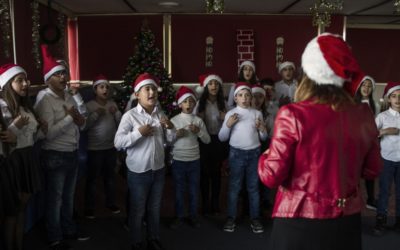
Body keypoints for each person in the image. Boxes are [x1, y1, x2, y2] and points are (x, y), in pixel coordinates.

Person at [258, 33, 382, 250]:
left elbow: (271, 176)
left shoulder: (292, 114)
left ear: (309, 73)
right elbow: (373, 170)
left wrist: (265, 155)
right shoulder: (363, 113)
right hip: (346, 219)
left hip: (299, 220)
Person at [34, 45, 89, 250]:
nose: (63, 77)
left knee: (68, 197)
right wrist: (69, 119)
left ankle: (69, 230)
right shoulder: (44, 98)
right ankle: (54, 236)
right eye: (57, 74)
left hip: (71, 152)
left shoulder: (67, 96)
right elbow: (46, 134)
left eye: (64, 73)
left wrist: (79, 120)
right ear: (49, 78)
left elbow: (81, 124)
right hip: (55, 155)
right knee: (55, 199)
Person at [114, 73, 175, 250]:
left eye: (154, 89)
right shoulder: (130, 116)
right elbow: (118, 143)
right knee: (138, 210)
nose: (152, 92)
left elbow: (170, 140)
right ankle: (136, 241)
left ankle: (153, 238)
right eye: (147, 89)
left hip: (158, 170)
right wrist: (138, 133)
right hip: (138, 172)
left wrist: (170, 128)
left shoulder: (160, 113)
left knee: (154, 208)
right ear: (137, 94)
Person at [0, 63, 46, 250]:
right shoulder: (2, 107)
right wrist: (14, 129)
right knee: (12, 212)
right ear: (7, 83)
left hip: (28, 158)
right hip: (12, 163)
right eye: (20, 80)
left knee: (22, 209)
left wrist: (42, 130)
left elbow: (33, 138)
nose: (26, 84)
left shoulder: (26, 107)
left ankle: (19, 245)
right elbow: (5, 143)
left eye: (26, 80)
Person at [219, 82, 267, 234]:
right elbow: (222, 138)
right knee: (234, 187)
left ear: (251, 97)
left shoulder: (257, 113)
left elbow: (264, 137)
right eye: (241, 95)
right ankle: (231, 218)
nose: (245, 98)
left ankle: (255, 218)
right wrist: (228, 125)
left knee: (253, 188)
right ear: (236, 98)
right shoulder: (231, 113)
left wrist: (262, 130)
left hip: (254, 154)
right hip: (236, 154)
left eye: (247, 95)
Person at [169, 86, 210, 229]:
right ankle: (179, 217)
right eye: (185, 102)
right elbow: (167, 141)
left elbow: (207, 140)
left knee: (193, 190)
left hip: (194, 161)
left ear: (194, 104)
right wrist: (176, 135)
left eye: (191, 102)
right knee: (179, 190)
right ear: (180, 104)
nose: (188, 104)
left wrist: (198, 131)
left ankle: (193, 216)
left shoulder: (198, 120)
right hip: (178, 161)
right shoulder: (174, 120)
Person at [84, 74, 122, 219]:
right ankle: (89, 207)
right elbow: (84, 126)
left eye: (107, 87)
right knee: (92, 179)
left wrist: (116, 113)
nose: (105, 89)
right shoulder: (89, 106)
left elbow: (120, 123)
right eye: (101, 87)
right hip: (94, 149)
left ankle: (111, 203)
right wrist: (94, 115)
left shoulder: (112, 104)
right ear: (95, 90)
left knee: (110, 177)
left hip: (110, 148)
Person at [194, 73, 227, 216]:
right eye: (211, 84)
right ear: (206, 87)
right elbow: (193, 122)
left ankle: (215, 203)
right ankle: (205, 204)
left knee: (216, 173)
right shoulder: (199, 103)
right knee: (204, 173)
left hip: (218, 140)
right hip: (203, 141)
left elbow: (229, 124)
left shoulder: (223, 103)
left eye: (216, 84)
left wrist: (224, 118)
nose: (214, 86)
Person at [373, 82, 400, 236]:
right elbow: (371, 134)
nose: (398, 99)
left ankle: (398, 221)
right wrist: (385, 131)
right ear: (389, 99)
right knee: (384, 191)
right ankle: (381, 220)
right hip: (387, 160)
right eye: (394, 96)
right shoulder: (382, 116)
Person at [352, 74, 380, 210]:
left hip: (370, 143)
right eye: (364, 85)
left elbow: (377, 124)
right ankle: (353, 197)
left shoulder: (377, 106)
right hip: (356, 143)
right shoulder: (352, 104)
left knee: (370, 170)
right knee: (354, 171)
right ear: (359, 87)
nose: (366, 88)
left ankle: (371, 198)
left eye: (369, 86)